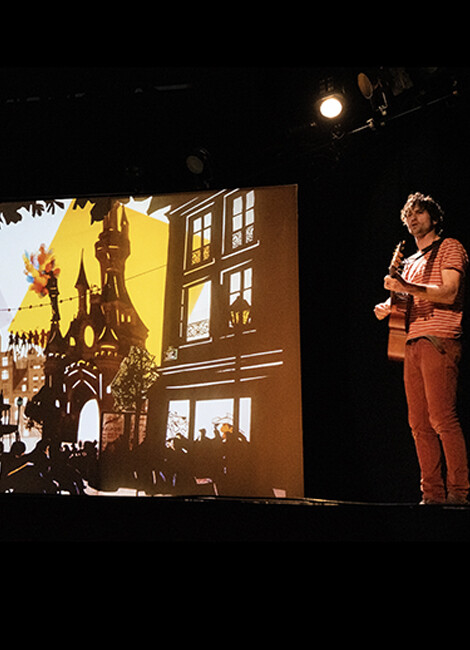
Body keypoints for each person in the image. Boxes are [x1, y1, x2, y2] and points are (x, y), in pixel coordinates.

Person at [374, 192, 470, 505]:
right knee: (418, 424)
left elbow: (449, 292)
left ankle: (458, 494)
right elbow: (407, 299)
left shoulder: (449, 247)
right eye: (408, 215)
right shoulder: (410, 260)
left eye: (419, 213)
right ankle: (432, 496)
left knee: (443, 419)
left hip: (438, 339)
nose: (413, 219)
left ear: (434, 216)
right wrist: (388, 305)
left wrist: (404, 287)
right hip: (411, 342)